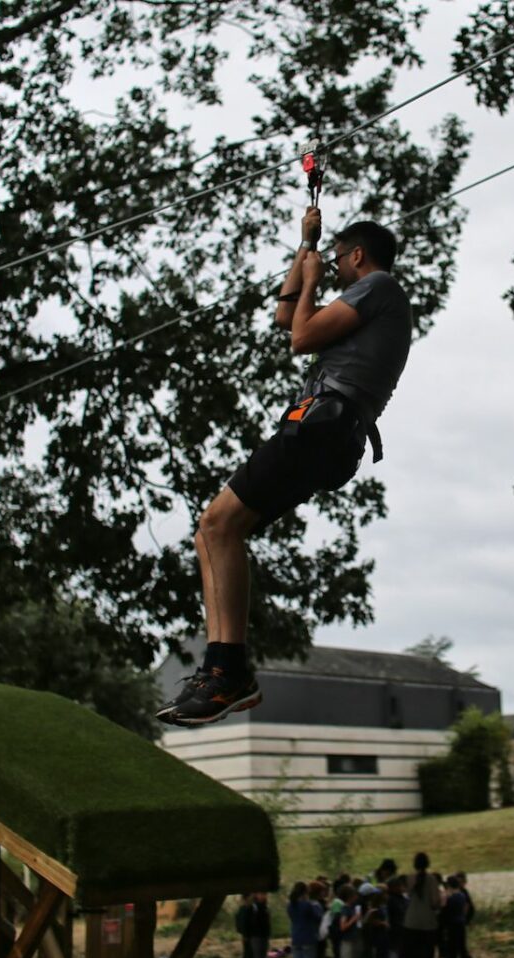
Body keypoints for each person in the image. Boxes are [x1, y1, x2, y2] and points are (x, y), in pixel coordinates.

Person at [158, 209, 412, 727]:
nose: (335, 266)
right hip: (324, 431)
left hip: (325, 425)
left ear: (357, 255)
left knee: (216, 526)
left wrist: (314, 277)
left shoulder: (379, 286)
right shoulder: (367, 301)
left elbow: (300, 337)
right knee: (216, 531)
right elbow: (286, 317)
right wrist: (305, 247)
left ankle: (227, 672)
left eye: (339, 257)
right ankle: (223, 670)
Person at [398, 852, 443, 958]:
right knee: (426, 954)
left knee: (411, 954)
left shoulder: (409, 878)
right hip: (427, 922)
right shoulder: (431, 880)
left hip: (411, 921)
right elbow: (435, 902)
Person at [287, 881, 328, 958]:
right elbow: (319, 917)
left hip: (296, 937)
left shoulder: (291, 905)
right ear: (305, 892)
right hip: (309, 937)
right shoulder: (308, 905)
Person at [437, 874, 471, 958]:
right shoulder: (461, 895)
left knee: (452, 947)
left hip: (452, 923)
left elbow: (444, 909)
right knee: (462, 945)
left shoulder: (449, 896)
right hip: (461, 922)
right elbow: (465, 908)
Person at [335, 883, 366, 958]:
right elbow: (343, 926)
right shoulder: (345, 909)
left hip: (354, 938)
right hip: (347, 940)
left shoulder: (352, 908)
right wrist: (354, 919)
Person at [247, 891, 272, 958]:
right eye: (262, 894)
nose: (264, 896)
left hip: (264, 936)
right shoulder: (253, 907)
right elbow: (248, 922)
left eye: (265, 894)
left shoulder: (264, 907)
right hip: (256, 936)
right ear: (256, 895)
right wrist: (249, 935)